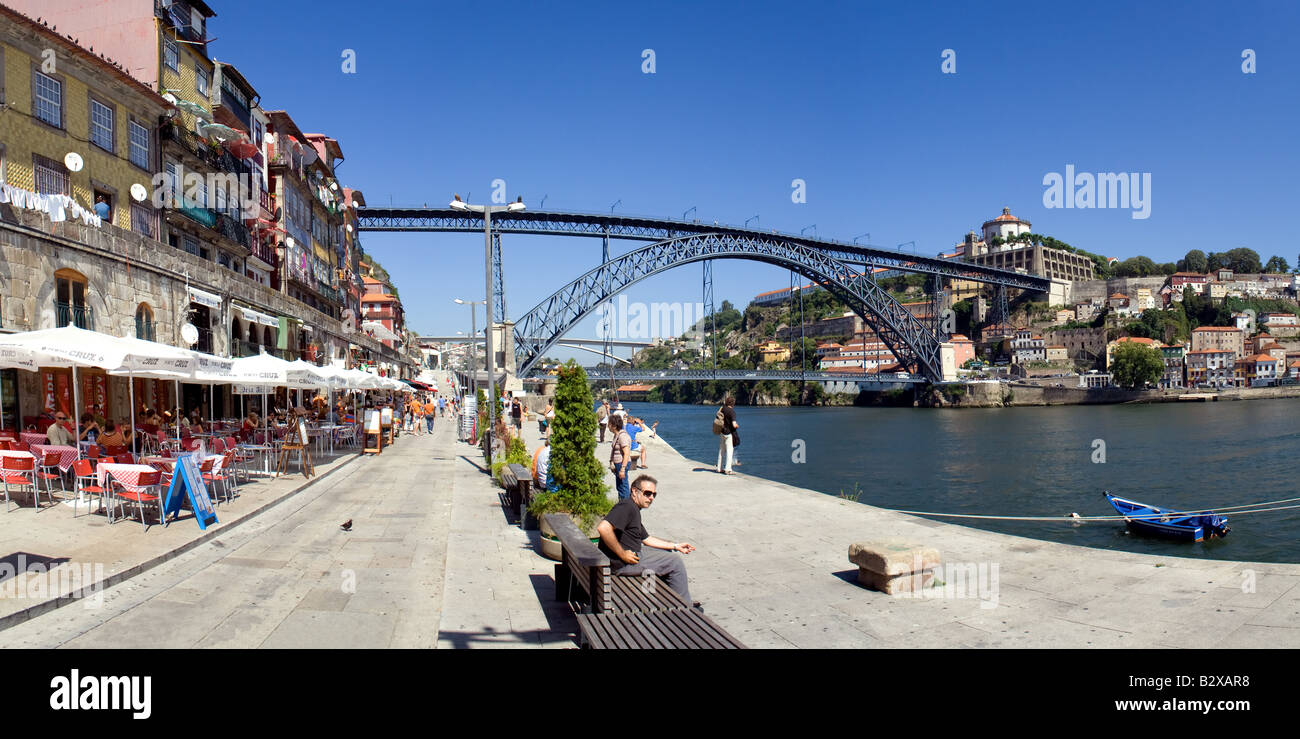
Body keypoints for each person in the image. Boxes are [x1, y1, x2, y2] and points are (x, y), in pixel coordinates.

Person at [596, 474, 695, 603]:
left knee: (668, 554)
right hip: (623, 564)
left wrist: (675, 546)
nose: (651, 498)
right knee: (675, 562)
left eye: (654, 494)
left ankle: (669, 600)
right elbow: (603, 528)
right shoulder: (626, 507)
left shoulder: (633, 508)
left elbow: (647, 539)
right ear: (634, 491)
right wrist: (622, 554)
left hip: (628, 558)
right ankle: (685, 607)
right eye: (647, 493)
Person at [608, 413, 631, 499]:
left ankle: (626, 506)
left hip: (622, 463)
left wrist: (622, 469)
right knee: (620, 486)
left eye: (609, 424)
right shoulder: (617, 435)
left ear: (614, 426)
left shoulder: (622, 436)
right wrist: (611, 462)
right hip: (618, 463)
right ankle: (622, 504)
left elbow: (627, 453)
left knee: (623, 486)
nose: (608, 426)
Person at [716, 395, 738, 475]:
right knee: (729, 451)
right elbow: (734, 424)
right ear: (733, 403)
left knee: (721, 450)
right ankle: (728, 469)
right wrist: (737, 426)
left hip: (722, 432)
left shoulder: (723, 408)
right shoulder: (732, 412)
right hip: (729, 433)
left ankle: (719, 468)